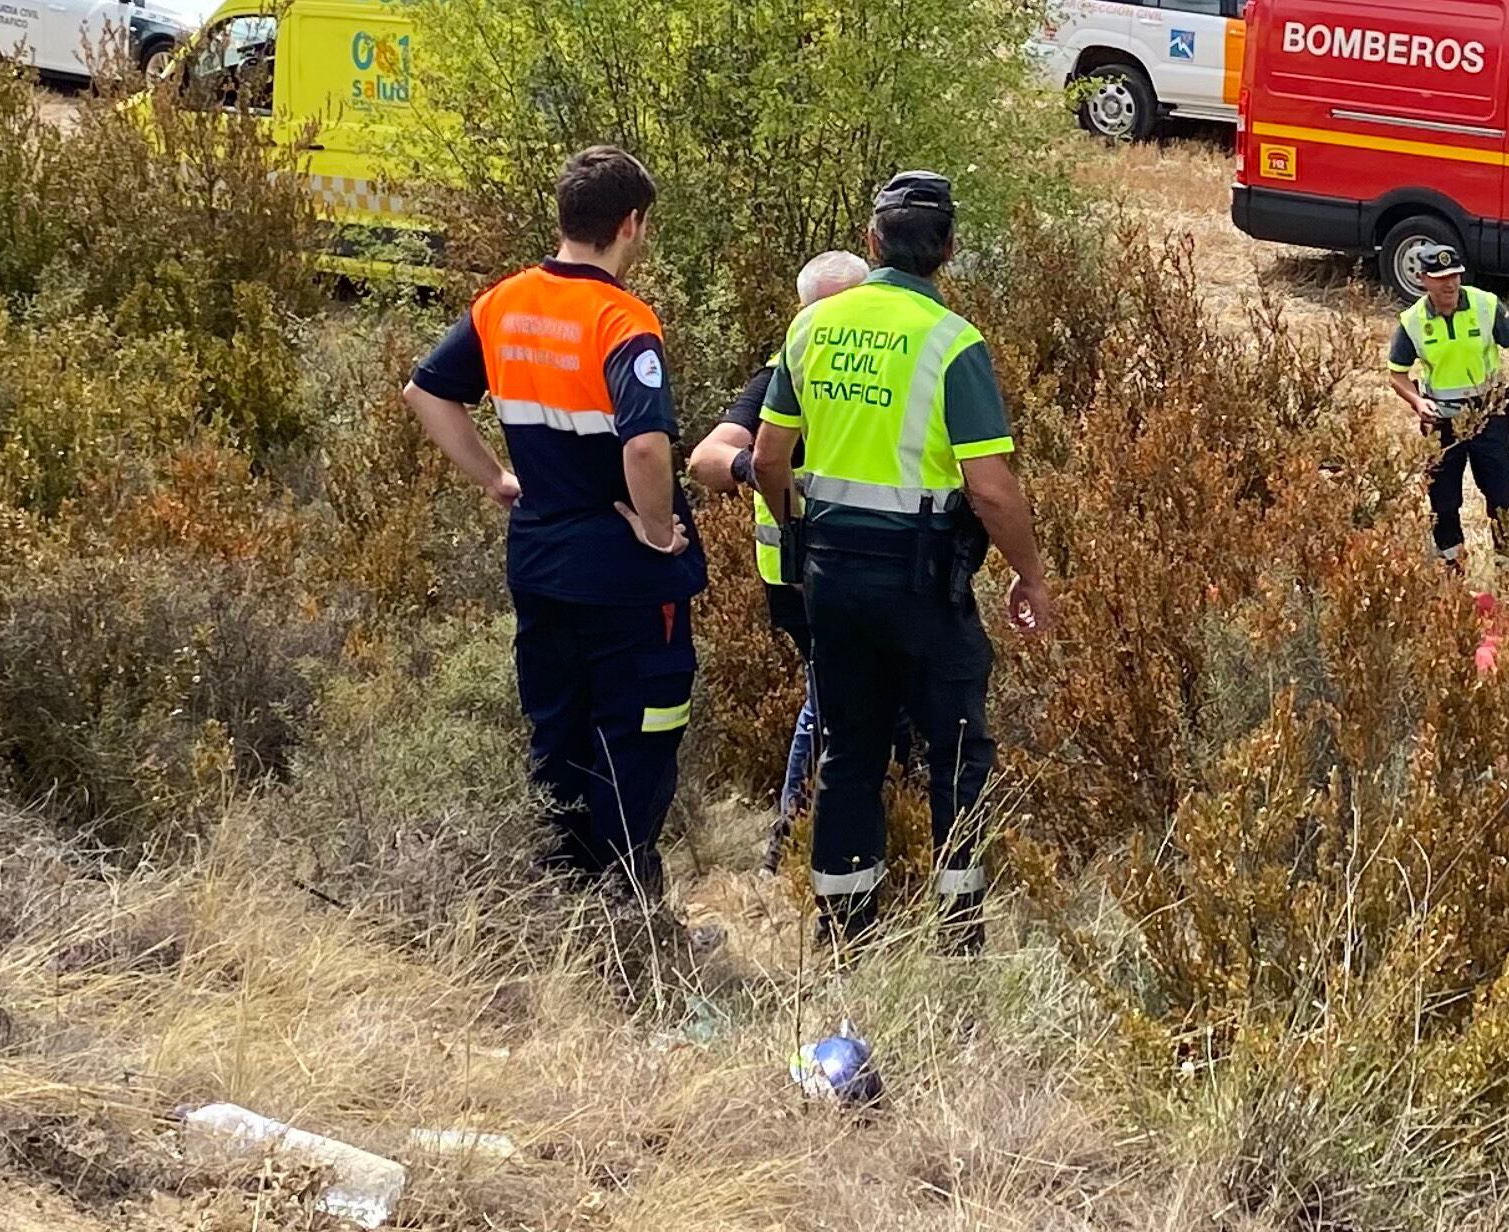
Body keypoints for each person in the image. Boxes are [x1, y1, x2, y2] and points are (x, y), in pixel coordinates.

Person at [752, 171, 1053, 949]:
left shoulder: (813, 326)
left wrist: (797, 533)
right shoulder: (952, 343)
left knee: (849, 748)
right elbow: (990, 489)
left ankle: (845, 931)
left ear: (873, 240)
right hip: (922, 580)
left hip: (832, 577)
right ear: (948, 250)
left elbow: (768, 457)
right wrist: (1030, 571)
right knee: (955, 750)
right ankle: (958, 934)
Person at [402, 145, 702, 896]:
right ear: (631, 225)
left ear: (565, 217)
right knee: (641, 733)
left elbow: (426, 393)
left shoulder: (504, 301)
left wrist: (497, 478)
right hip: (624, 575)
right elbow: (644, 446)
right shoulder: (621, 319)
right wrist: (660, 530)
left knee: (556, 732)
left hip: (539, 556)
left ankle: (560, 894)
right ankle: (631, 908)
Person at [687, 248, 873, 870]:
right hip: (800, 576)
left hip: (859, 567)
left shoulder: (877, 370)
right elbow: (705, 458)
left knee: (855, 703)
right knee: (829, 705)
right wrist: (760, 470)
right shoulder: (780, 374)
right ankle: (787, 844)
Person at [1384, 250, 1509, 569]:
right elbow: (1396, 374)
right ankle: (1451, 564)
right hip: (1441, 422)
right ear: (1423, 280)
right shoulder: (1413, 322)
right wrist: (1417, 401)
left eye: (1454, 275)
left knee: (1503, 494)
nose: (1450, 284)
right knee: (1443, 500)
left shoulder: (1485, 305)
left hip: (1490, 415)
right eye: (1441, 278)